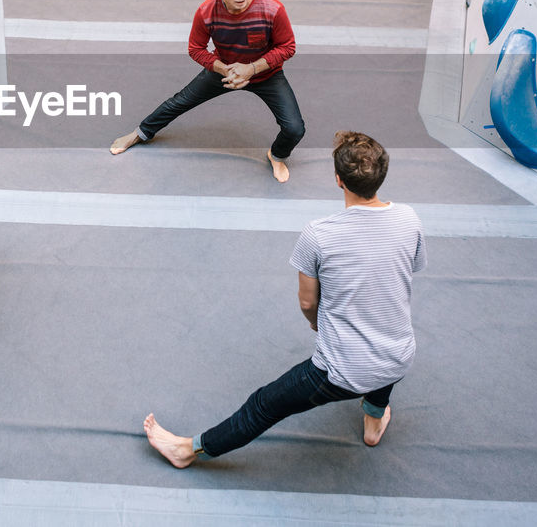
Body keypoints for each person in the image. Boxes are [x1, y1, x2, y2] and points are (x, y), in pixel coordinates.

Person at [144, 131, 425, 465]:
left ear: (338, 180)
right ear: (382, 175)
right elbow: (406, 270)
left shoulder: (319, 234)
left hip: (341, 370)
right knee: (383, 364)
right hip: (399, 355)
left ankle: (187, 451)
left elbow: (308, 303)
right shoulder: (409, 219)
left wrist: (316, 324)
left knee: (264, 405)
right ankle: (374, 421)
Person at [110, 0, 304, 182]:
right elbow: (195, 49)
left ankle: (277, 155)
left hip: (266, 74)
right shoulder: (206, 12)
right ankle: (139, 134)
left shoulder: (272, 9)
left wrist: (251, 69)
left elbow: (288, 47)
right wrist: (225, 70)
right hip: (224, 69)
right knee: (179, 102)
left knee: (295, 129)